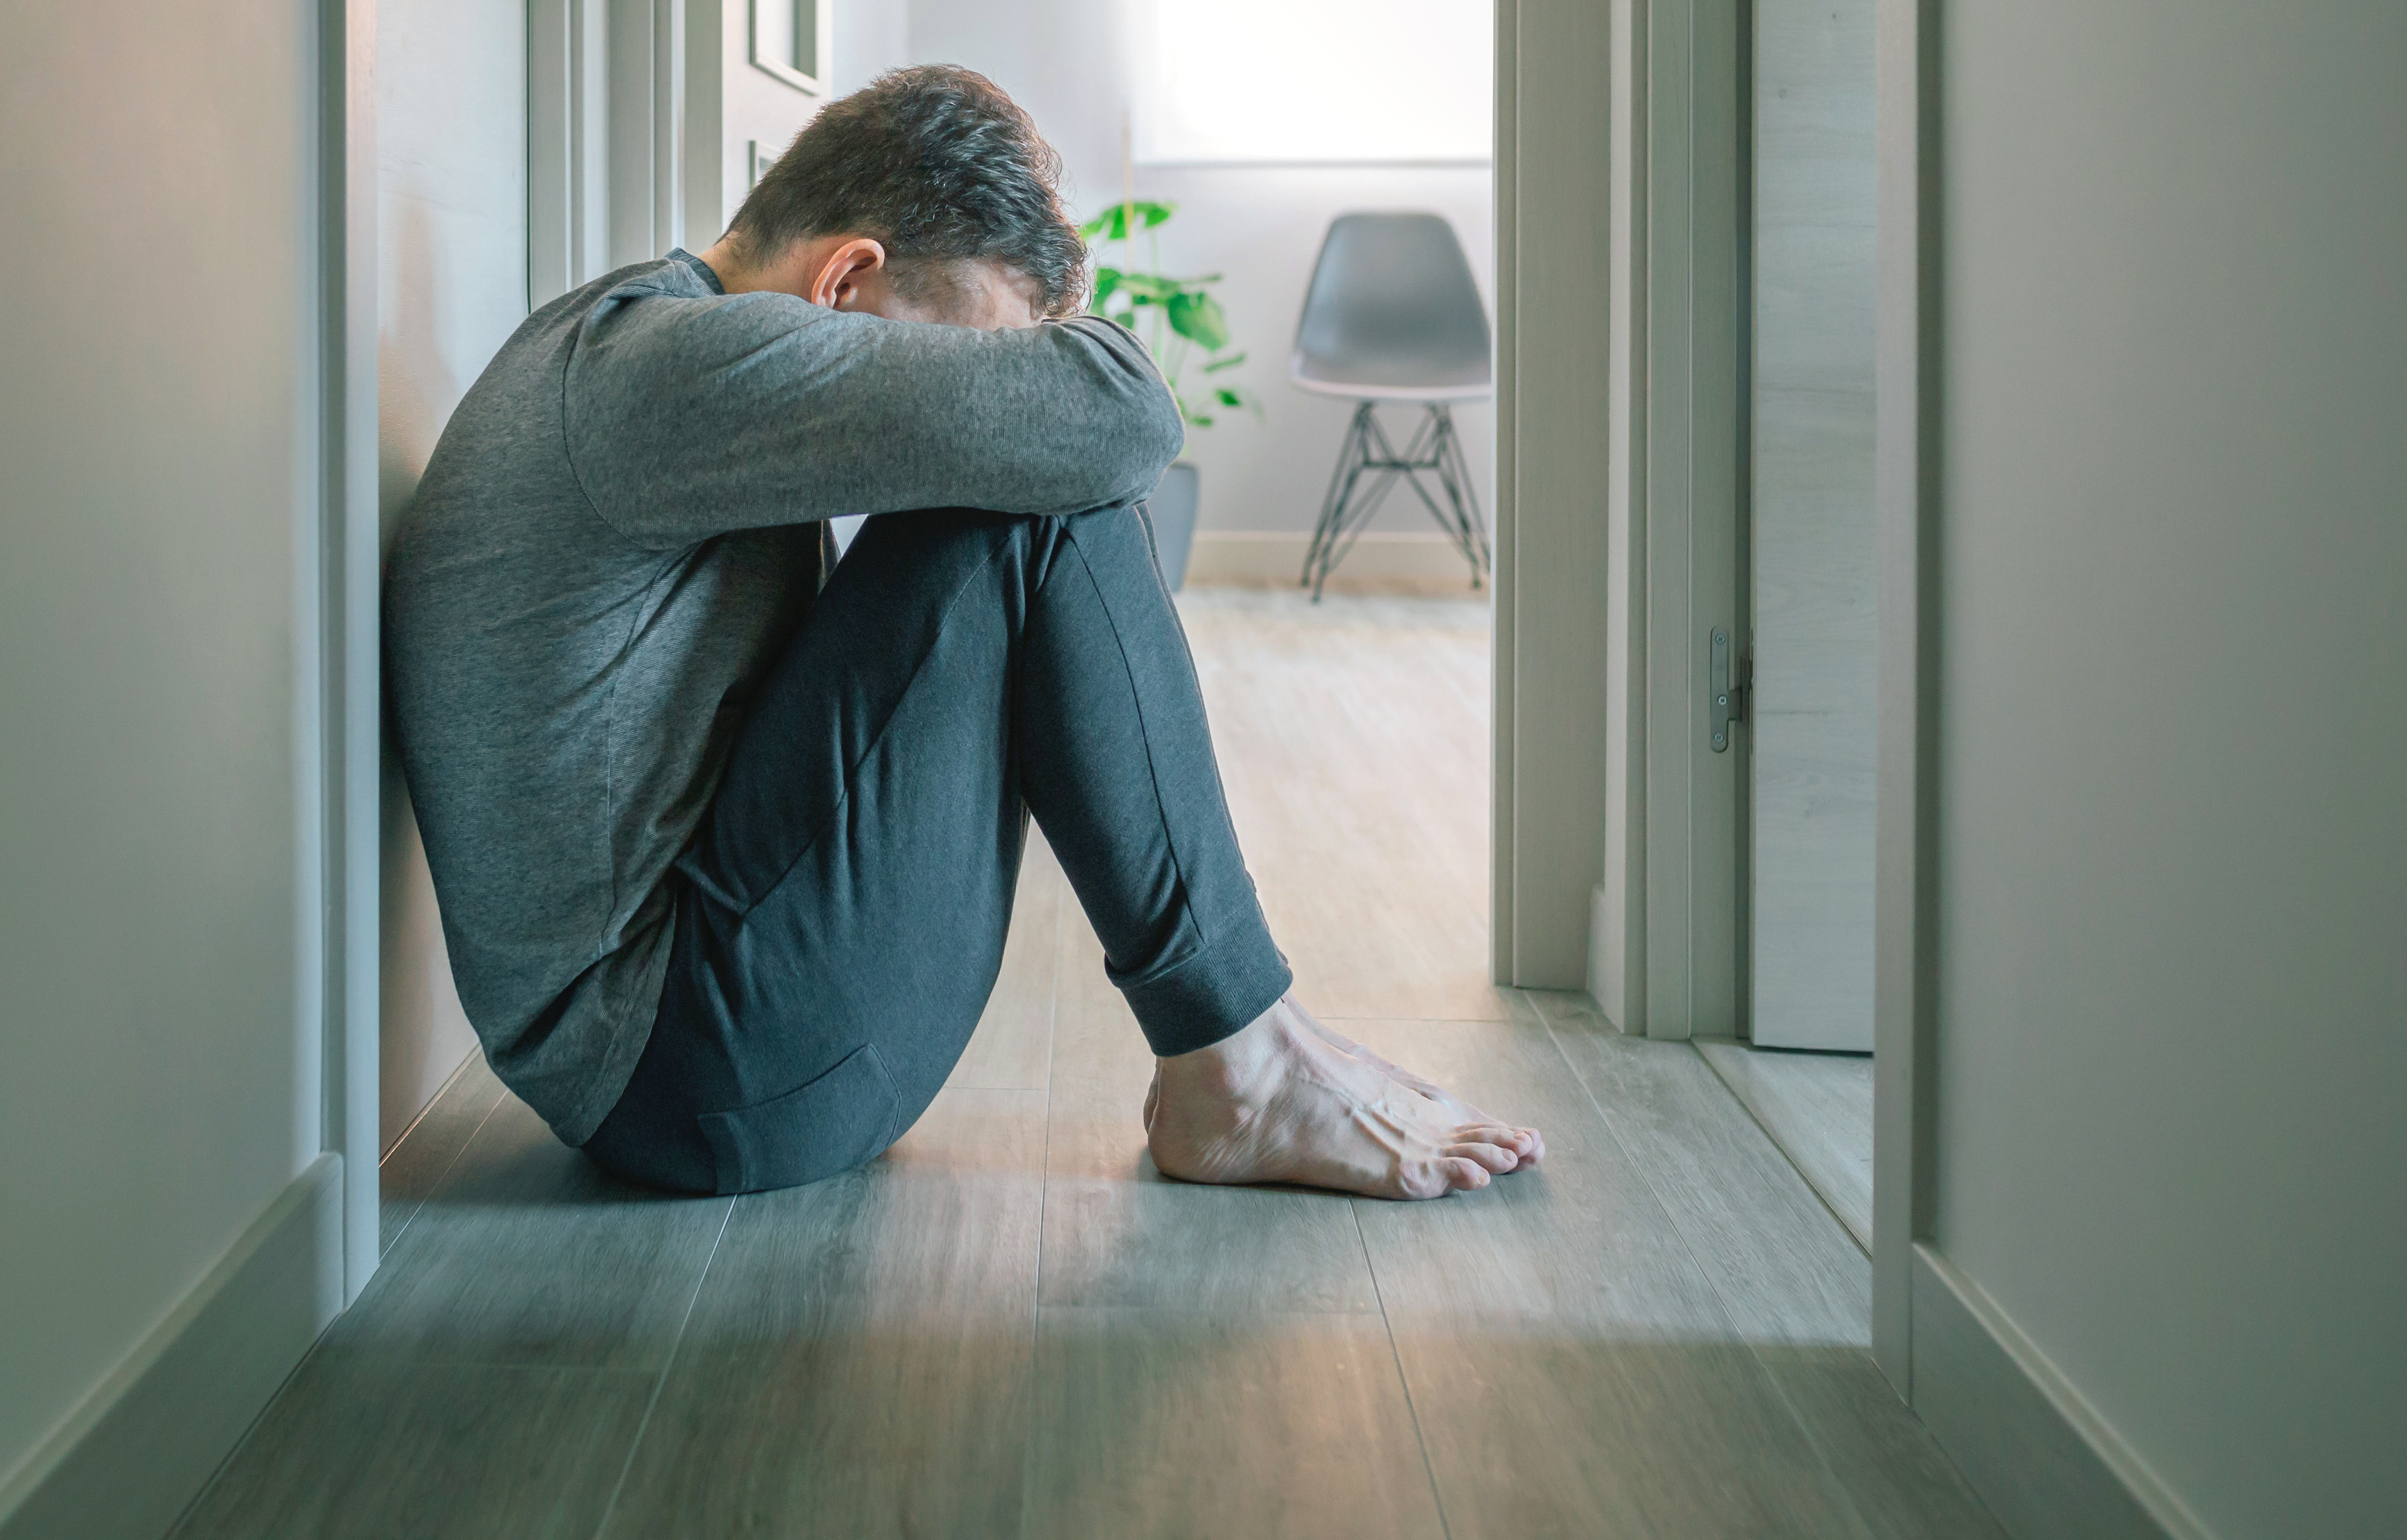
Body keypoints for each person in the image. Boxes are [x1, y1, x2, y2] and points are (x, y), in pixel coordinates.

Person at [383, 65, 1542, 1199]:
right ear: (846, 283)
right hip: (690, 1076)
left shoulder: (640, 343)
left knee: (1028, 469)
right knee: (1033, 499)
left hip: (696, 1048)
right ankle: (1236, 1056)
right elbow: (1122, 413)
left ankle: (1250, 1033)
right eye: (965, 353)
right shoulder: (672, 370)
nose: (961, 390)